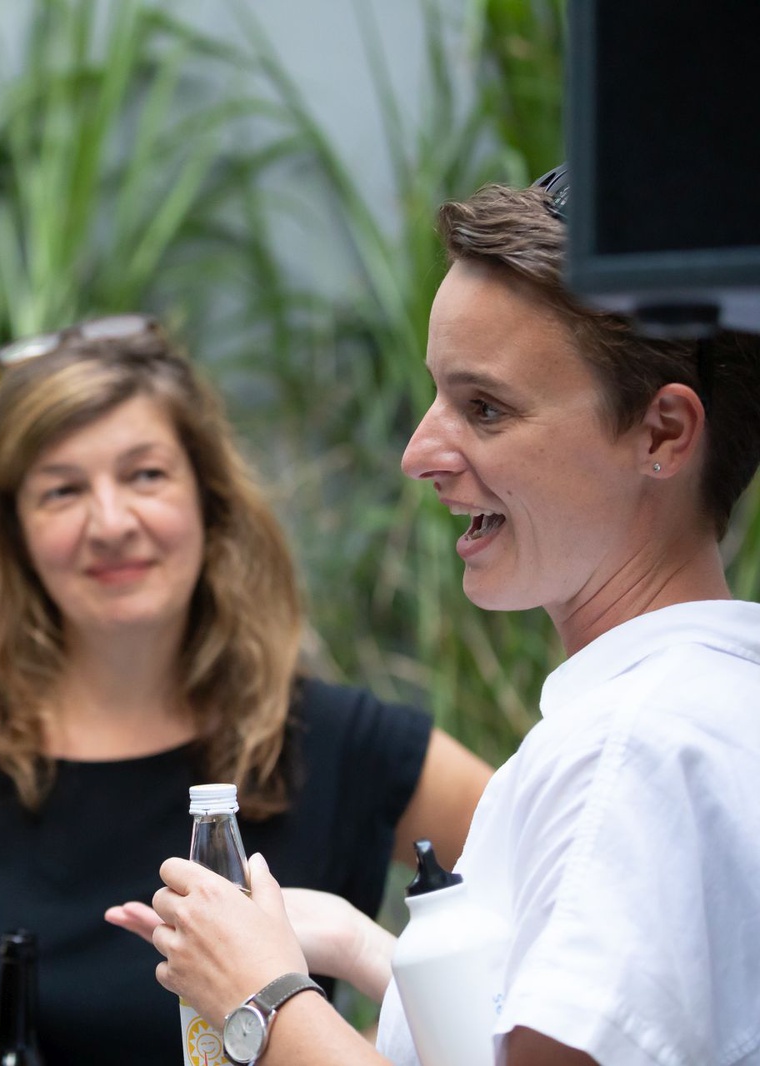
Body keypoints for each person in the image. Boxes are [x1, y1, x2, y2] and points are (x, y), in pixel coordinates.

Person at [119, 175, 760, 1066]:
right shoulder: (707, 707)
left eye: (485, 408)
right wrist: (358, 943)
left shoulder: (629, 755)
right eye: (436, 396)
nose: (419, 453)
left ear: (661, 434)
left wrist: (263, 998)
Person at [0, 316, 492, 1065]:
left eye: (145, 475)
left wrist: (373, 1049)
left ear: (209, 500)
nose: (110, 523)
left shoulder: (334, 740)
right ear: (13, 531)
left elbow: (553, 891)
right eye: (62, 491)